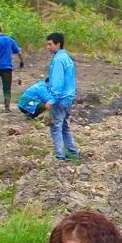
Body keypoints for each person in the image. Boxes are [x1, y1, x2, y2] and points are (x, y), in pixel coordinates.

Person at [44, 31, 77, 160]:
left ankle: (60, 155)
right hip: (68, 97)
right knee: (65, 127)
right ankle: (72, 153)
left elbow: (58, 82)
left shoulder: (58, 60)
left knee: (56, 127)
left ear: (58, 44)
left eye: (50, 44)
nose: (48, 47)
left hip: (60, 99)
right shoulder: (66, 57)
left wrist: (52, 99)